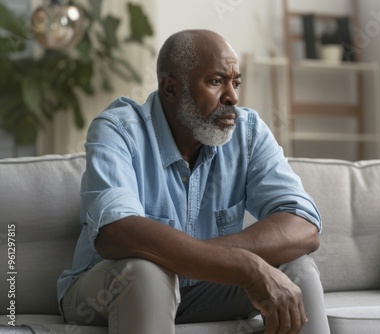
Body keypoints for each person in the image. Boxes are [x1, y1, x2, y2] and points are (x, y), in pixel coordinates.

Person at [57, 29, 330, 334]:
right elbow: (116, 232)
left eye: (235, 82)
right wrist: (244, 265)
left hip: (206, 289)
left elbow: (303, 224)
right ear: (170, 88)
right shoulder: (118, 130)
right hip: (108, 290)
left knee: (299, 269)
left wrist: (201, 258)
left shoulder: (248, 132)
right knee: (146, 273)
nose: (233, 97)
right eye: (216, 82)